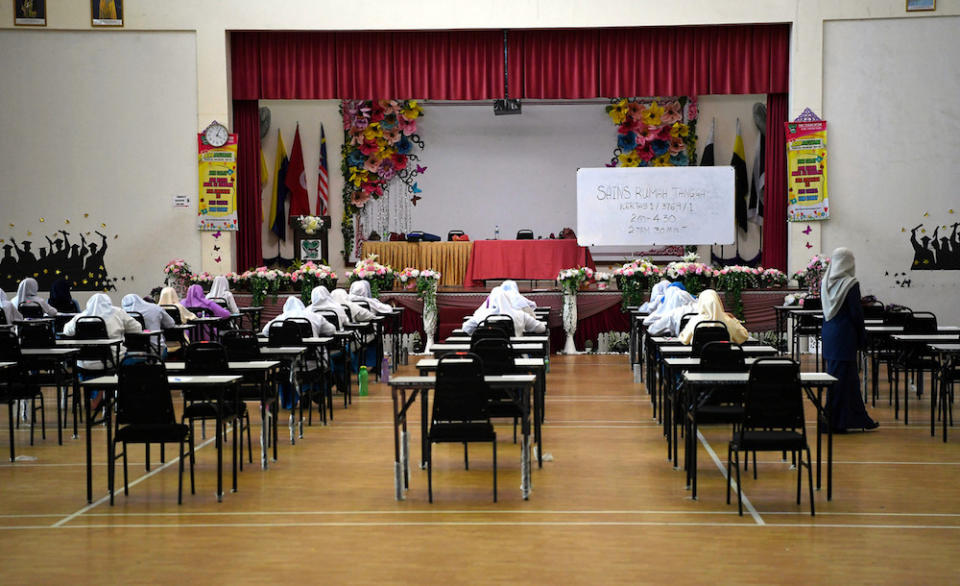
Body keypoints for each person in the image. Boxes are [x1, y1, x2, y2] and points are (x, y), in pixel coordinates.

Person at [821, 247, 878, 432]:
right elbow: (856, 314)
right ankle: (835, 422)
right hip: (845, 336)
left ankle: (857, 419)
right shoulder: (850, 283)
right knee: (843, 381)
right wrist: (863, 338)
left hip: (829, 334)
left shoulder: (825, 282)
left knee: (845, 380)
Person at [63, 293, 142, 370]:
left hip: (83, 362)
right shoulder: (118, 313)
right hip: (111, 360)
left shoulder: (80, 317)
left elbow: (66, 331)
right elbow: (137, 328)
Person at [462, 287, 546, 337]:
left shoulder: (481, 316)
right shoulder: (520, 315)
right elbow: (542, 328)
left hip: (484, 358)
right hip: (513, 355)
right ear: (507, 300)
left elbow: (466, 328)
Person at [678, 289, 749, 344]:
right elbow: (744, 336)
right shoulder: (728, 320)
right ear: (718, 302)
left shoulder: (695, 321)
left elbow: (684, 339)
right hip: (725, 360)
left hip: (698, 358)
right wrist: (734, 319)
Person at [262, 296, 335, 337]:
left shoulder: (281, 318)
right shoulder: (314, 316)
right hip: (312, 353)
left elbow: (265, 331)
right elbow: (331, 330)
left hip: (286, 355)